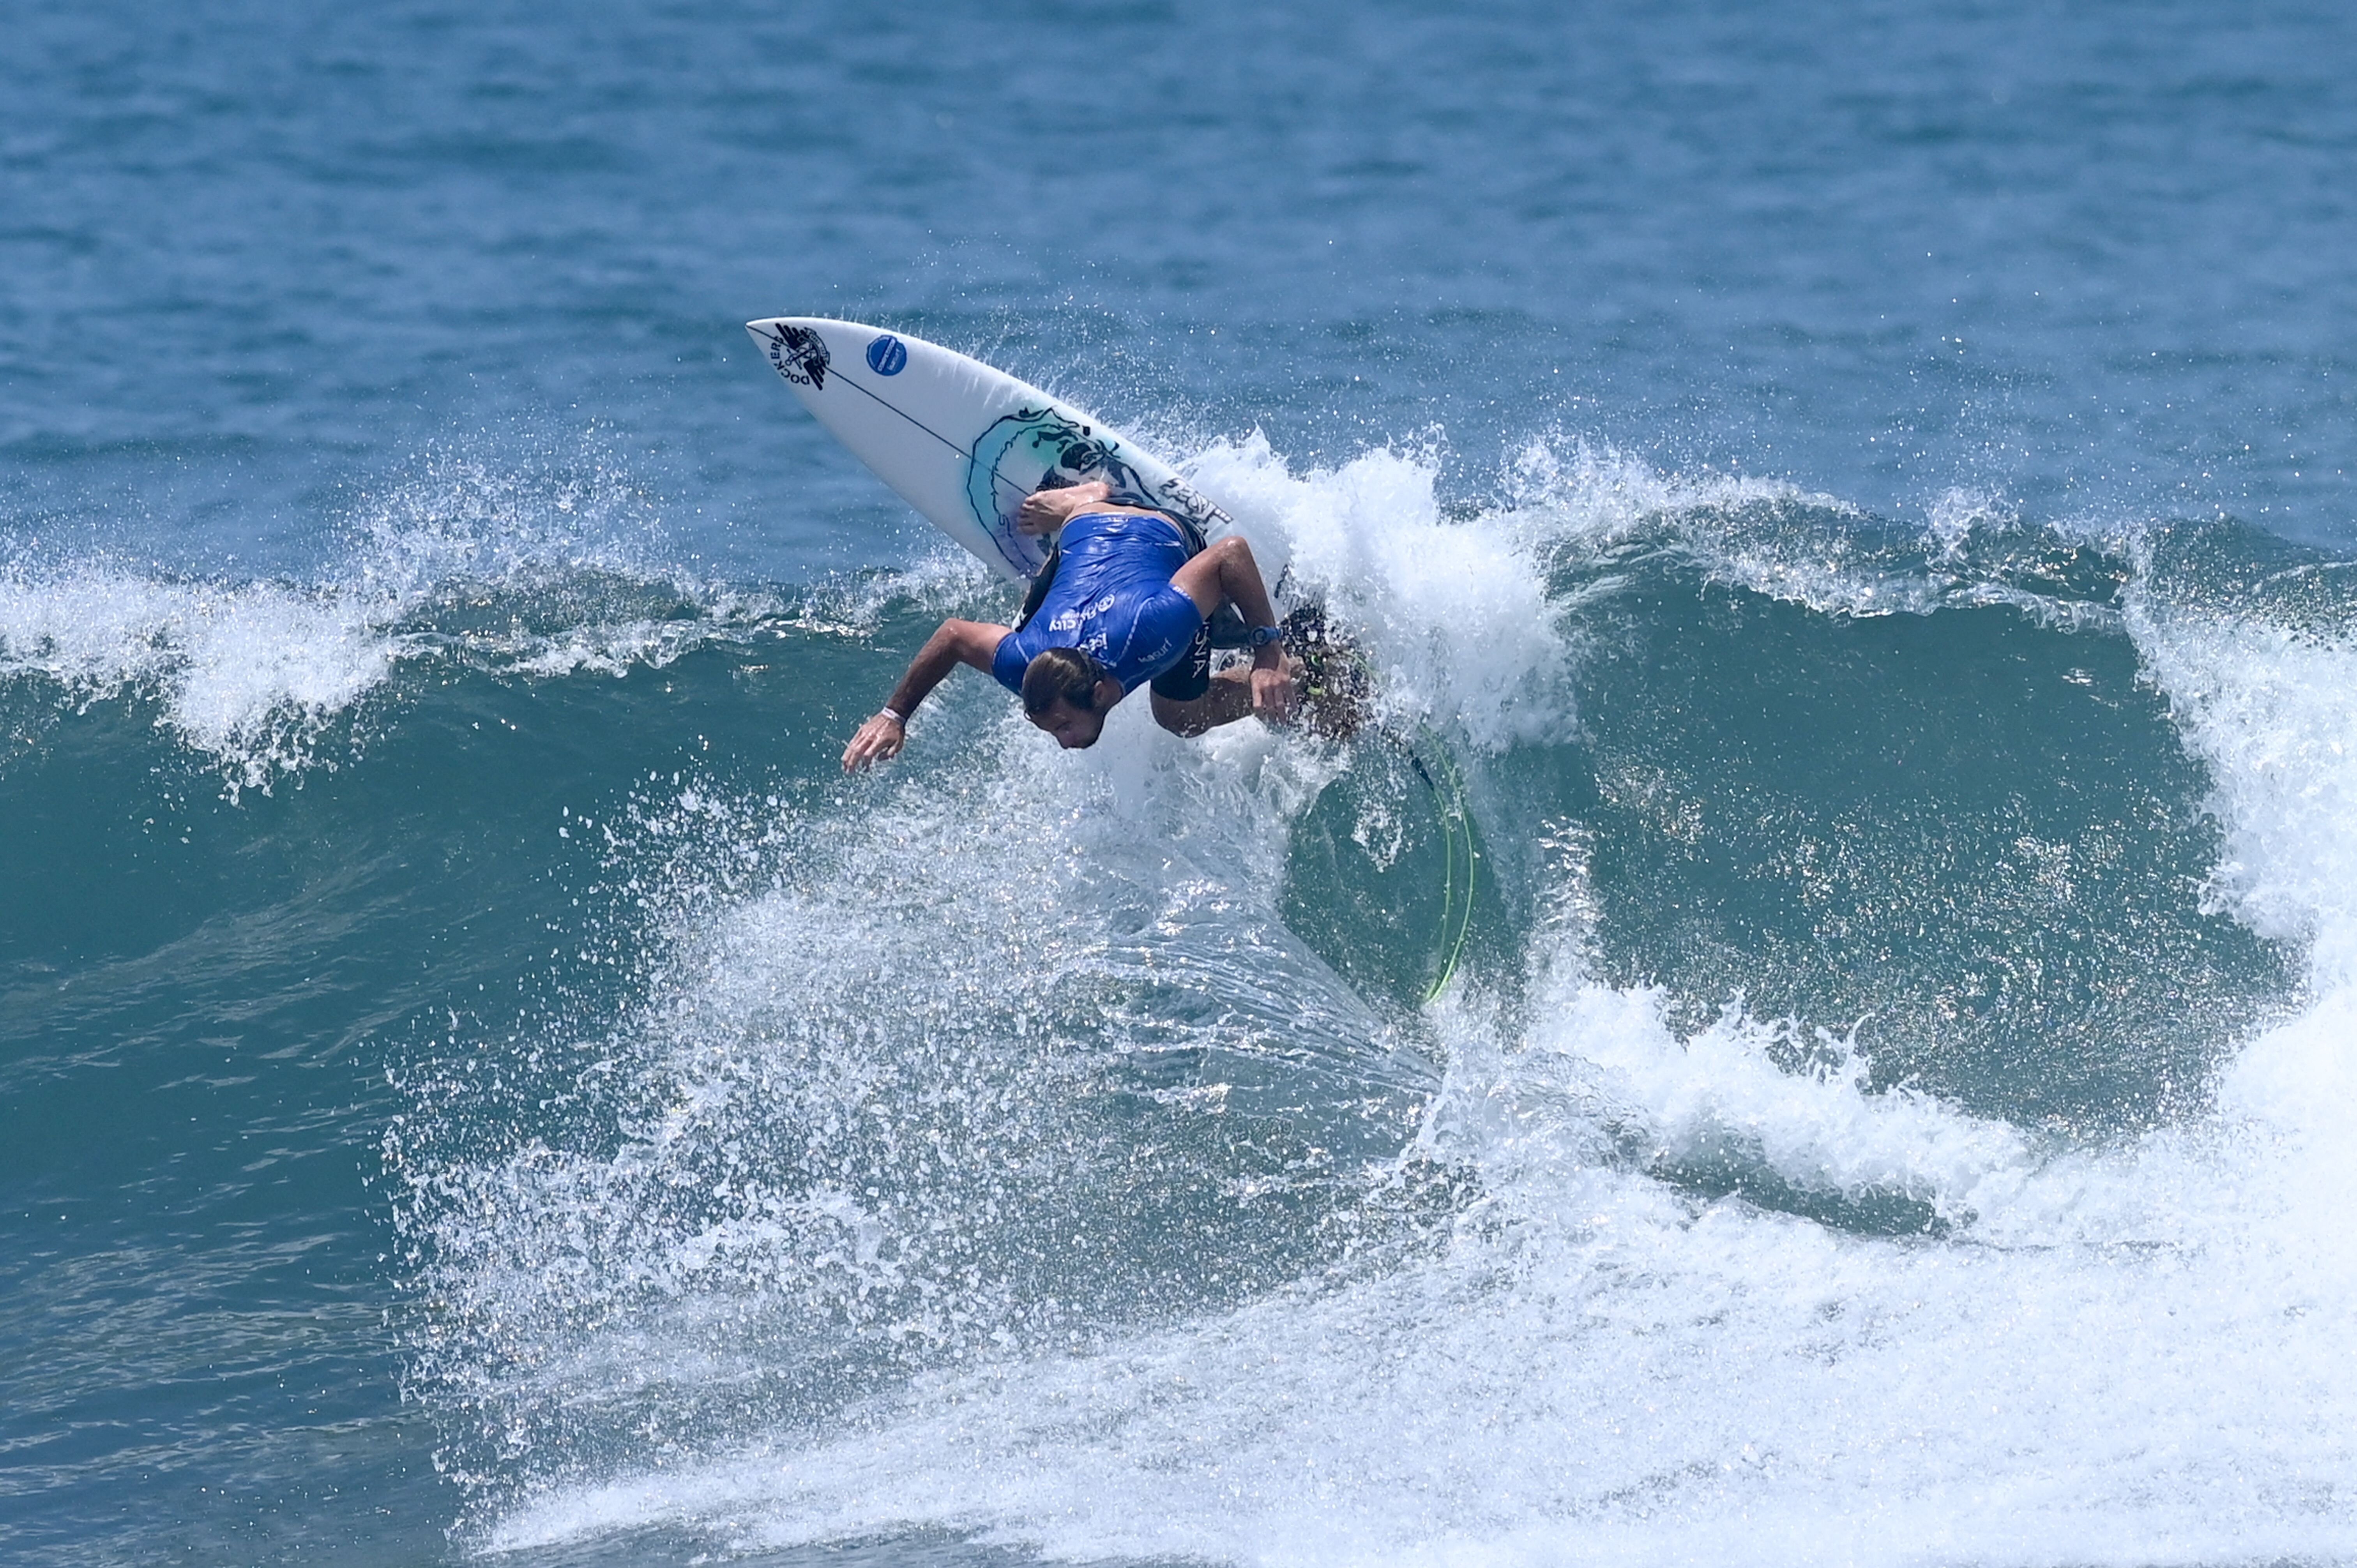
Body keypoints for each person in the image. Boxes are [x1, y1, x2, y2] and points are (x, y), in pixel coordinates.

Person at [841, 480, 1295, 772]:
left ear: (1098, 693)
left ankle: (1292, 672)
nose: (1063, 742)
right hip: (1087, 530)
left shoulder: (1151, 630)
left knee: (1180, 717)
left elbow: (1230, 553)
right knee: (1028, 617)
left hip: (1164, 531)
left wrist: (1267, 651)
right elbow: (954, 636)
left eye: (1062, 726)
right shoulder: (1025, 661)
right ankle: (1083, 499)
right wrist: (894, 715)